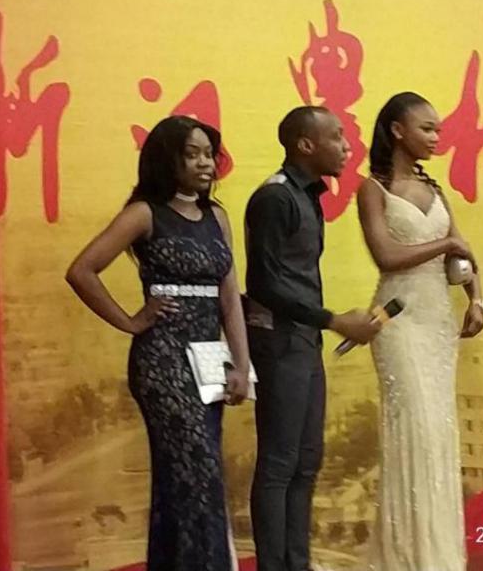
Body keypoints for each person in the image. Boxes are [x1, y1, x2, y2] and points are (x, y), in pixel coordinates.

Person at [65, 115, 250, 571]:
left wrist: (241, 364)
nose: (205, 163)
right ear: (168, 160)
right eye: (192, 154)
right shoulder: (145, 213)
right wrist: (131, 322)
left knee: (186, 479)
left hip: (209, 359)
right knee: (196, 472)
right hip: (163, 361)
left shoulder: (217, 217)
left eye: (209, 154)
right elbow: (82, 270)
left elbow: (229, 298)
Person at [244, 105, 381, 571]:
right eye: (337, 137)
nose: (347, 147)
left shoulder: (307, 197)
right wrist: (333, 320)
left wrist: (323, 324)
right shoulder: (275, 198)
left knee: (307, 460)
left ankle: (297, 562)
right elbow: (264, 285)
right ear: (305, 144)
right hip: (279, 343)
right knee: (279, 463)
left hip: (303, 341)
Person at [357, 92, 483, 570]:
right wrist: (445, 244)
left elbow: (461, 254)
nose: (435, 137)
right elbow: (387, 256)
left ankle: (439, 554)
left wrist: (476, 298)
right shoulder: (373, 188)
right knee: (414, 430)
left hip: (438, 323)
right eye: (426, 128)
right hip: (399, 320)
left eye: (438, 129)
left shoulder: (436, 188)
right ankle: (406, 557)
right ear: (397, 131)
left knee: (438, 435)